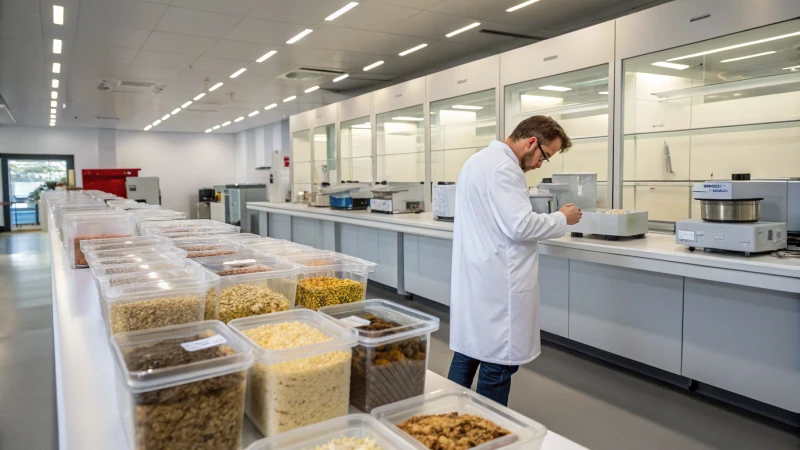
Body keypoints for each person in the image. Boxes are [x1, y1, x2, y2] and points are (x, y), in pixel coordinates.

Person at [447, 115, 582, 406]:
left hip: (478, 276)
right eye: (545, 156)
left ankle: (444, 417)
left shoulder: (476, 162)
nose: (539, 165)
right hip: (499, 283)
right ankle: (488, 433)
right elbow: (520, 226)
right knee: (498, 363)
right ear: (531, 142)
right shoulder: (505, 169)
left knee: (469, 352)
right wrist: (562, 218)